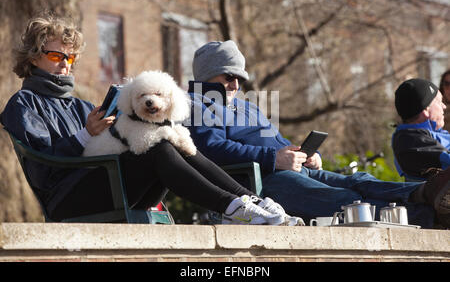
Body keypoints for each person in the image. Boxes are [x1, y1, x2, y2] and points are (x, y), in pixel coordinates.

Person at [0, 14, 303, 226]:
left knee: (171, 137)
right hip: (68, 198)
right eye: (56, 57)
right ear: (33, 57)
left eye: (70, 58)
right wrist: (84, 136)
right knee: (158, 147)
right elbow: (42, 169)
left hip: (109, 182)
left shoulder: (80, 105)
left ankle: (250, 201)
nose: (65, 65)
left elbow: (111, 143)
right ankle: (231, 208)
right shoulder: (23, 104)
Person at [185, 40, 450, 229]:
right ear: (208, 73)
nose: (235, 84)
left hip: (288, 170)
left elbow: (276, 144)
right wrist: (274, 159)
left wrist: (302, 154)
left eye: (240, 78)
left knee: (360, 180)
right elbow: (210, 150)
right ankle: (433, 216)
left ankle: (427, 191)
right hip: (258, 182)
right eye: (229, 76)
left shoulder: (245, 105)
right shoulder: (197, 104)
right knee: (344, 200)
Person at [392, 78, 450, 182]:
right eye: (439, 101)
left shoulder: (424, 135)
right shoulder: (409, 140)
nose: (444, 106)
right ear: (426, 109)